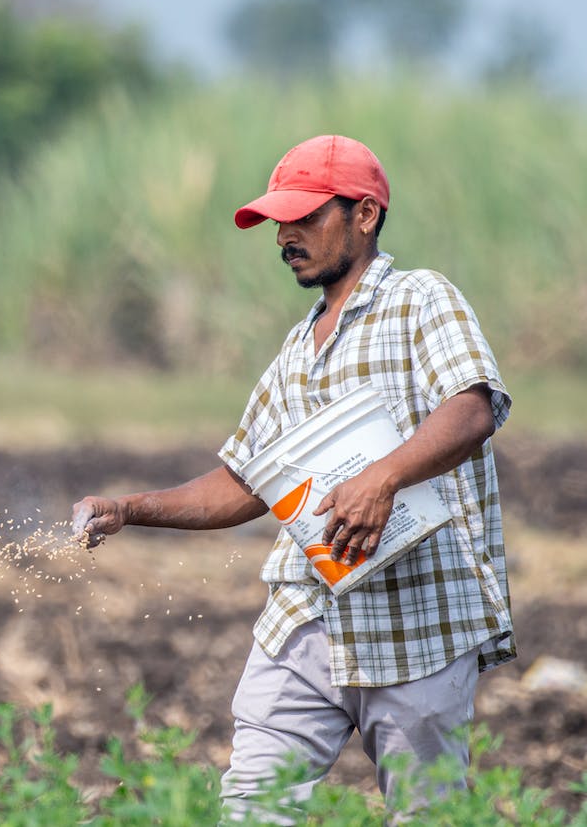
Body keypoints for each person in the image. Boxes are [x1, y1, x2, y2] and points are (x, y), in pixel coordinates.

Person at [71, 134, 515, 822]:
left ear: (364, 214)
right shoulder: (296, 349)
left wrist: (382, 478)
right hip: (311, 613)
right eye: (280, 221)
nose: (285, 234)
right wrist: (129, 507)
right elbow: (246, 480)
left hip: (418, 620)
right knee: (252, 802)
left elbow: (473, 406)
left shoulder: (421, 300)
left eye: (305, 216)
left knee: (427, 813)